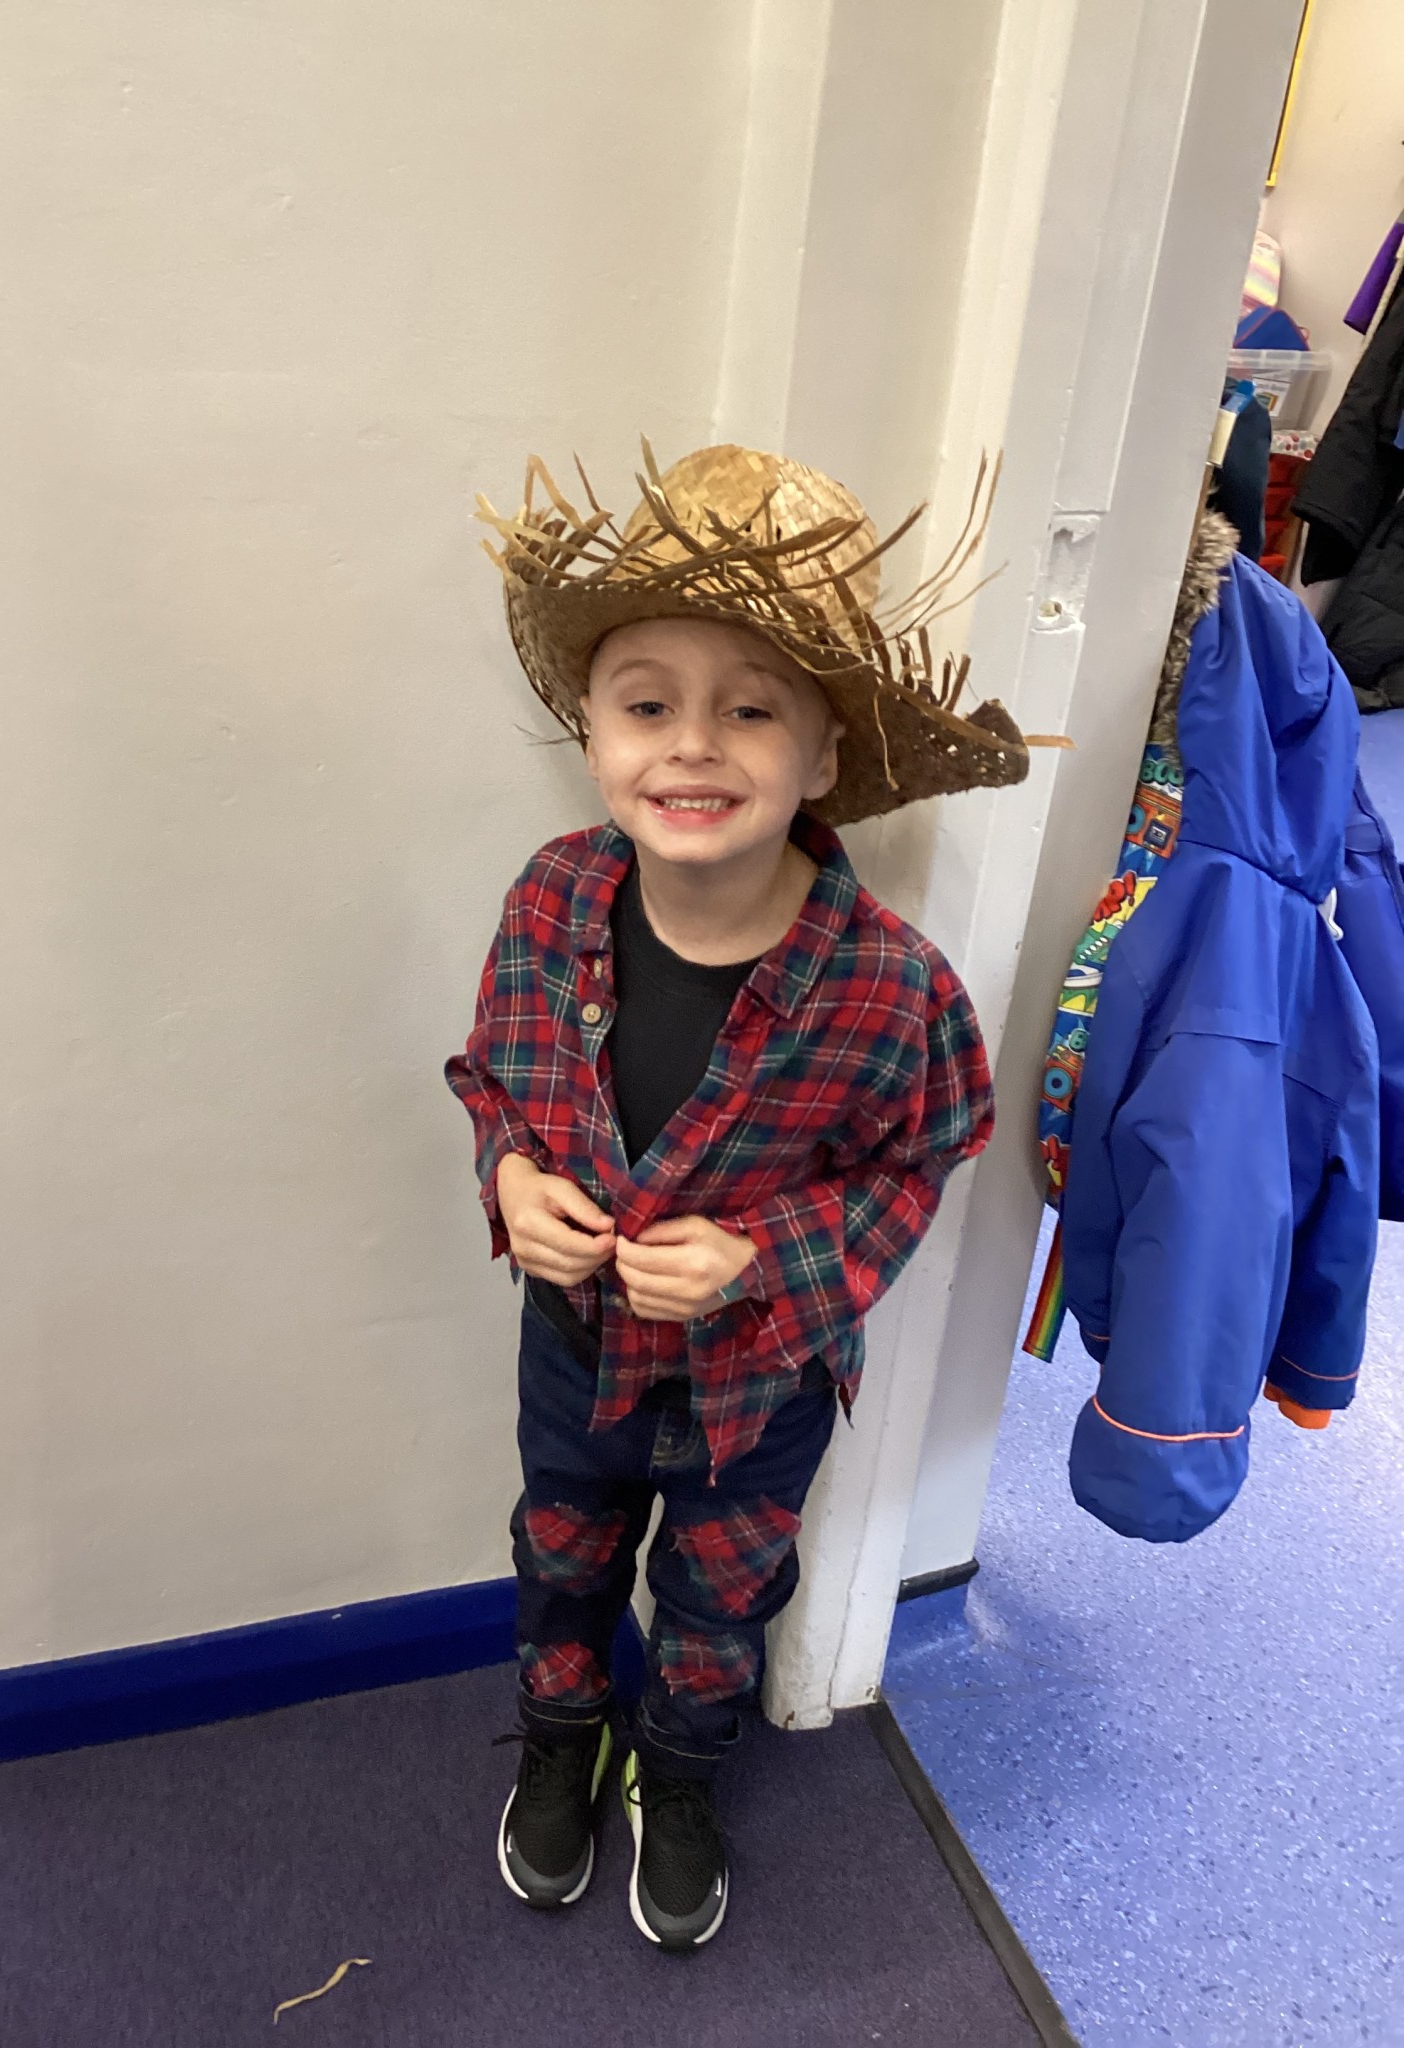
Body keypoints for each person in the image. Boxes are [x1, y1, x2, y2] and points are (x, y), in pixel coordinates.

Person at [445, 442, 1028, 1952]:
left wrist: (763, 1255)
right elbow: (494, 1079)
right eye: (648, 703)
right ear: (591, 731)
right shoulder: (551, 898)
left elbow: (929, 1154)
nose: (691, 746)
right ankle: (563, 1743)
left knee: (720, 1595)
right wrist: (512, 1177)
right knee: (561, 1553)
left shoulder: (891, 987)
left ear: (826, 753)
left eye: (751, 707)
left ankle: (683, 1772)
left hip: (755, 1388)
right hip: (575, 1348)